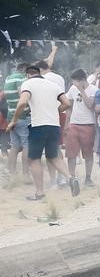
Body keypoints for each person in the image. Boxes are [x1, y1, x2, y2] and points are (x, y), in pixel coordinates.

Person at [5, 65, 77, 200]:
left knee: (34, 159)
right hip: (54, 125)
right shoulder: (52, 85)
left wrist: (14, 120)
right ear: (39, 73)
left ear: (27, 75)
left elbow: (22, 103)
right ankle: (71, 178)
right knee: (53, 156)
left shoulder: (28, 84)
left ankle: (39, 192)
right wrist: (53, 111)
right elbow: (67, 103)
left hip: (38, 125)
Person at [64, 69, 98, 186]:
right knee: (71, 153)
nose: (74, 84)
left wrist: (81, 90)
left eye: (76, 82)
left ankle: (88, 177)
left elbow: (90, 105)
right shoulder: (72, 89)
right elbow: (69, 106)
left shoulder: (93, 89)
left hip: (88, 124)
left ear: (83, 80)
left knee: (88, 153)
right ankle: (72, 177)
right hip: (74, 124)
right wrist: (67, 123)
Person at [4, 62, 30, 178]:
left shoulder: (8, 78)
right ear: (24, 70)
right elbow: (22, 96)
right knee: (26, 145)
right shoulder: (21, 78)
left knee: (15, 145)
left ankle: (12, 172)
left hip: (11, 116)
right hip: (22, 116)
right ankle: (25, 174)